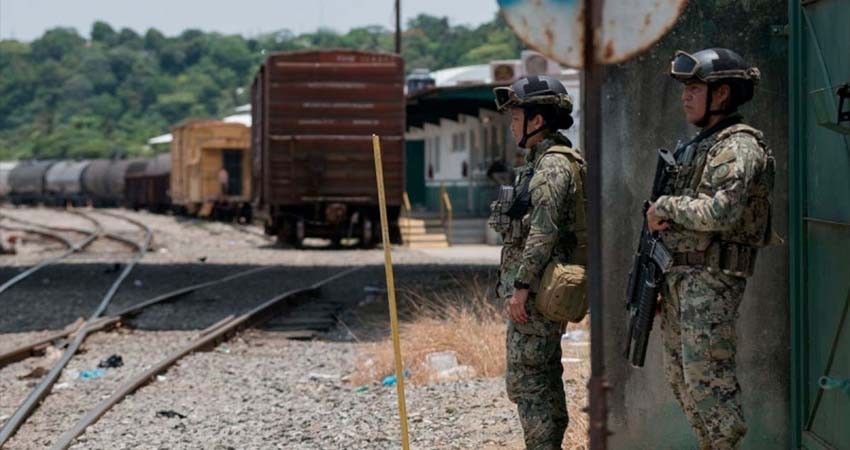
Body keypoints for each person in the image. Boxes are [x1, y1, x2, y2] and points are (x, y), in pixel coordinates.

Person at [647, 48, 774, 449]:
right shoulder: (700, 145)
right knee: (684, 381)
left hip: (711, 280)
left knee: (709, 385)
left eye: (695, 87)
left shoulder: (738, 146)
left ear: (722, 95)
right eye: (686, 88)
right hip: (682, 280)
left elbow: (721, 211)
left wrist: (664, 207)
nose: (685, 96)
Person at [489, 75, 584, 449]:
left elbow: (543, 233)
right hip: (543, 288)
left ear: (538, 120)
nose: (512, 123)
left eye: (517, 116)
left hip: (539, 291)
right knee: (541, 376)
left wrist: (521, 287)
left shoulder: (552, 166)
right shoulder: (544, 162)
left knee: (529, 380)